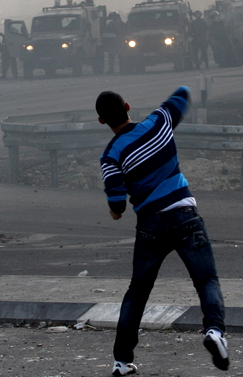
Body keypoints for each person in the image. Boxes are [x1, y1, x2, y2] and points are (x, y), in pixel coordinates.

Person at [96, 87, 229, 376]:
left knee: (138, 292)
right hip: (185, 215)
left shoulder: (110, 155)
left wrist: (115, 209)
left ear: (101, 121)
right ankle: (215, 332)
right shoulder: (158, 122)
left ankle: (122, 362)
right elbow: (182, 96)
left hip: (150, 226)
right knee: (205, 279)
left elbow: (117, 205)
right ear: (128, 106)